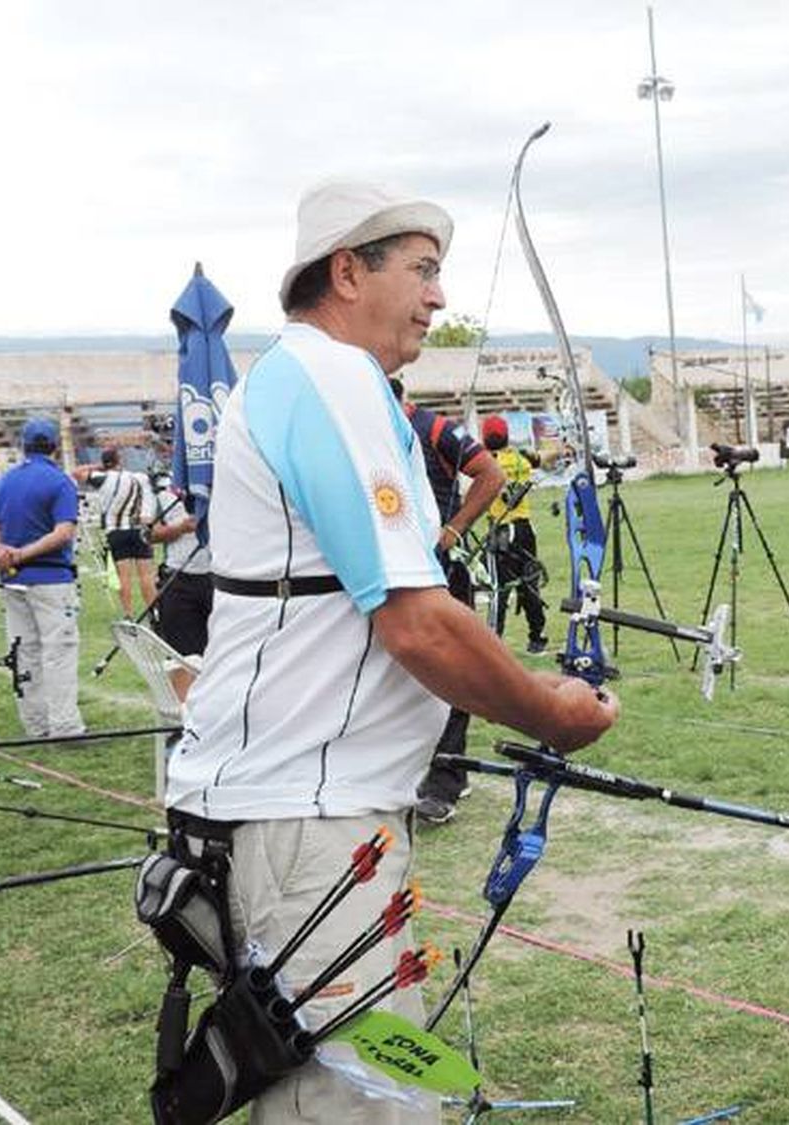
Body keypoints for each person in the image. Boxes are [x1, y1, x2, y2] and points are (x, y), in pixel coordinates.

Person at [164, 179, 617, 1124]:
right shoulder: (326, 377)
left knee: (365, 1088)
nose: (438, 297)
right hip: (304, 816)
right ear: (345, 271)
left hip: (318, 811)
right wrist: (550, 710)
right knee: (355, 1104)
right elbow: (413, 619)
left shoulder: (316, 378)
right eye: (421, 270)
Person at [389, 377, 506, 825]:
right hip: (394, 574)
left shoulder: (433, 428)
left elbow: (490, 475)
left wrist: (451, 531)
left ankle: (447, 778)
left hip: (440, 571)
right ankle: (413, 769)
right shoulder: (364, 432)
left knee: (451, 670)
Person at [0, 419, 85, 738]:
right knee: (58, 650)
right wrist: (22, 553)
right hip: (51, 577)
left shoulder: (4, 481)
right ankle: (65, 725)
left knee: (23, 650)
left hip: (12, 577)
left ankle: (36, 724)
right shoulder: (60, 482)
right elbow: (64, 531)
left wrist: (1, 553)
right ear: (55, 446)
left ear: (23, 446)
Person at [481, 414, 549, 653]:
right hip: (526, 529)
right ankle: (537, 638)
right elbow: (540, 459)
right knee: (529, 584)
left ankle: (492, 644)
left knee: (498, 587)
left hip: (502, 531)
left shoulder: (487, 462)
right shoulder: (521, 459)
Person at [75, 448, 157, 619]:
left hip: (116, 532)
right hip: (138, 530)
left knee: (123, 576)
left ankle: (128, 614)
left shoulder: (102, 478)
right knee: (146, 575)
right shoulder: (136, 477)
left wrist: (100, 466)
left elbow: (77, 473)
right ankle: (153, 612)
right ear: (120, 460)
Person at [148, 477, 211, 694]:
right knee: (182, 657)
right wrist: (181, 528)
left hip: (221, 579)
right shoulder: (163, 491)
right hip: (179, 579)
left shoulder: (223, 483)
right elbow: (148, 534)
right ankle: (184, 721)